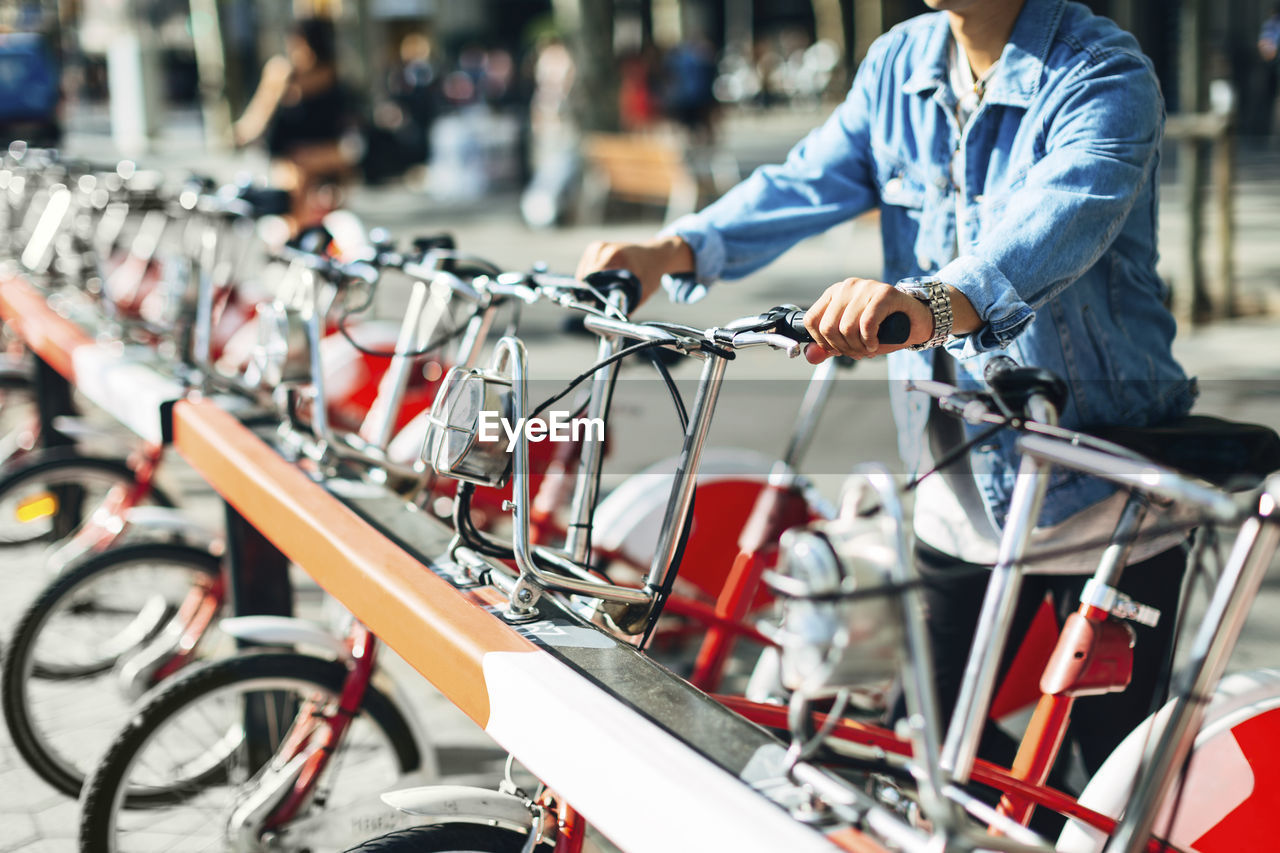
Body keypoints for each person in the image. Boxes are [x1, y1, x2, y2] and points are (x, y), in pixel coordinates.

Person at [577, 0, 1196, 808]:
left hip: (1102, 485)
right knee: (926, 752)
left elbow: (1064, 215)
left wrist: (928, 304)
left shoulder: (1103, 72)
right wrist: (673, 248)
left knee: (1110, 789)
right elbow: (803, 180)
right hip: (958, 485)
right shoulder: (902, 64)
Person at [234, 17, 357, 226]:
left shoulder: (332, 73)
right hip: (290, 153)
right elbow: (261, 110)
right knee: (296, 177)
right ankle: (296, 230)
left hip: (324, 149)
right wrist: (241, 134)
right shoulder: (281, 72)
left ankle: (328, 231)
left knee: (334, 166)